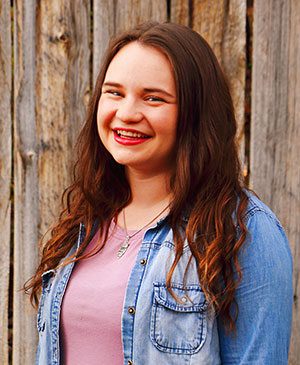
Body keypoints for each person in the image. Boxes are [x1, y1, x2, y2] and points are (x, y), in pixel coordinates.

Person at [25, 22, 293, 364]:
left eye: (153, 98)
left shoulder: (244, 231)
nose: (127, 114)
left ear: (196, 113)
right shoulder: (86, 222)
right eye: (115, 93)